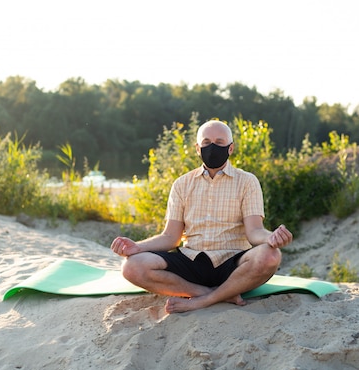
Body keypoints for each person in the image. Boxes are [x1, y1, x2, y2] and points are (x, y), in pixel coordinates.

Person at [111, 120, 293, 313]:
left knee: (271, 255)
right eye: (206, 143)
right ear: (197, 148)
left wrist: (270, 238)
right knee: (131, 267)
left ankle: (203, 301)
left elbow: (254, 231)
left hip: (233, 263)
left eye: (219, 142)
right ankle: (207, 293)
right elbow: (170, 238)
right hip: (191, 261)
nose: (212, 147)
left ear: (230, 148)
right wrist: (138, 247)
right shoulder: (181, 184)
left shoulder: (247, 182)